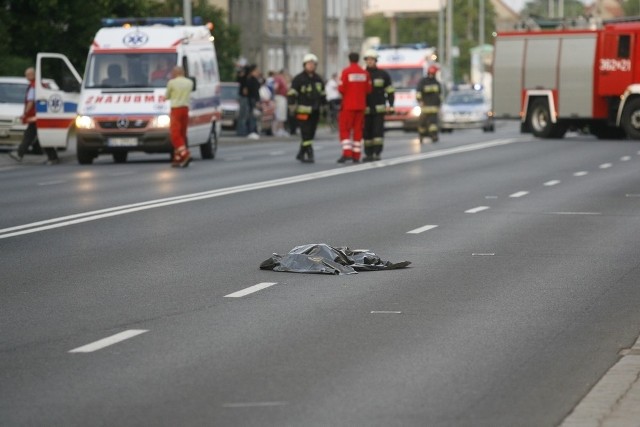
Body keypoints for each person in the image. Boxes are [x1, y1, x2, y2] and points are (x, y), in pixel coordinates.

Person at [9, 67, 59, 165]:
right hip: (41, 114)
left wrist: (25, 113)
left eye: (27, 75)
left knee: (29, 136)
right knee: (41, 136)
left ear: (31, 75)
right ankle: (53, 157)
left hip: (35, 116)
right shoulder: (40, 85)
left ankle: (19, 154)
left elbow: (30, 102)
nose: (26, 77)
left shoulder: (33, 86)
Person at [287, 53, 326, 163]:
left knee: (311, 133)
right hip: (302, 111)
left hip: (315, 111)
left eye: (313, 64)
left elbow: (323, 94)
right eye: (309, 64)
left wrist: (325, 108)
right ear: (304, 65)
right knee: (306, 132)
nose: (311, 66)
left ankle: (301, 153)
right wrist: (292, 107)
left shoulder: (318, 79)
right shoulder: (298, 79)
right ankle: (309, 153)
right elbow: (292, 93)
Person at [337, 52, 371, 163]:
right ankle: (356, 155)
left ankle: (347, 153)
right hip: (361, 106)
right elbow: (368, 90)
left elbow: (341, 89)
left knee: (345, 129)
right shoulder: (365, 73)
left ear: (349, 60)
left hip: (348, 106)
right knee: (358, 130)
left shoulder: (346, 72)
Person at [363, 49, 394, 162]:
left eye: (372, 59)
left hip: (379, 109)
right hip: (365, 110)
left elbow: (390, 91)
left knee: (378, 132)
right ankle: (368, 153)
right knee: (366, 132)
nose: (370, 62)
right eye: (368, 60)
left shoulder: (383, 75)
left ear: (376, 60)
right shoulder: (362, 74)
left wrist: (391, 105)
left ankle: (377, 152)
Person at [165, 66, 194, 168]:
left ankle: (184, 154)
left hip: (176, 108)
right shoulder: (189, 83)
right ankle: (177, 158)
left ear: (175, 73)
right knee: (182, 133)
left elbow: (167, 96)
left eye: (172, 72)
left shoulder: (171, 83)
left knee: (175, 134)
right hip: (185, 108)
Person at [416, 65, 442, 143]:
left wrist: (438, 104)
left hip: (432, 107)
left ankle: (433, 135)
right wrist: (420, 101)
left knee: (432, 124)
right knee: (423, 123)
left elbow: (439, 95)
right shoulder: (425, 82)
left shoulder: (435, 82)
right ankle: (422, 136)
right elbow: (419, 93)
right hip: (425, 107)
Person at [245, 65, 262, 140]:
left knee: (254, 116)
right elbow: (254, 91)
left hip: (253, 99)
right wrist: (257, 101)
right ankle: (252, 131)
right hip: (253, 99)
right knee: (252, 116)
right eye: (256, 71)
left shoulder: (253, 79)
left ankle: (253, 131)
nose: (257, 72)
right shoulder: (252, 80)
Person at [272, 70, 289, 137]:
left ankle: (281, 129)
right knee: (279, 114)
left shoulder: (281, 79)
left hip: (282, 97)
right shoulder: (279, 79)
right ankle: (278, 129)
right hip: (280, 97)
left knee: (282, 114)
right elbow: (276, 87)